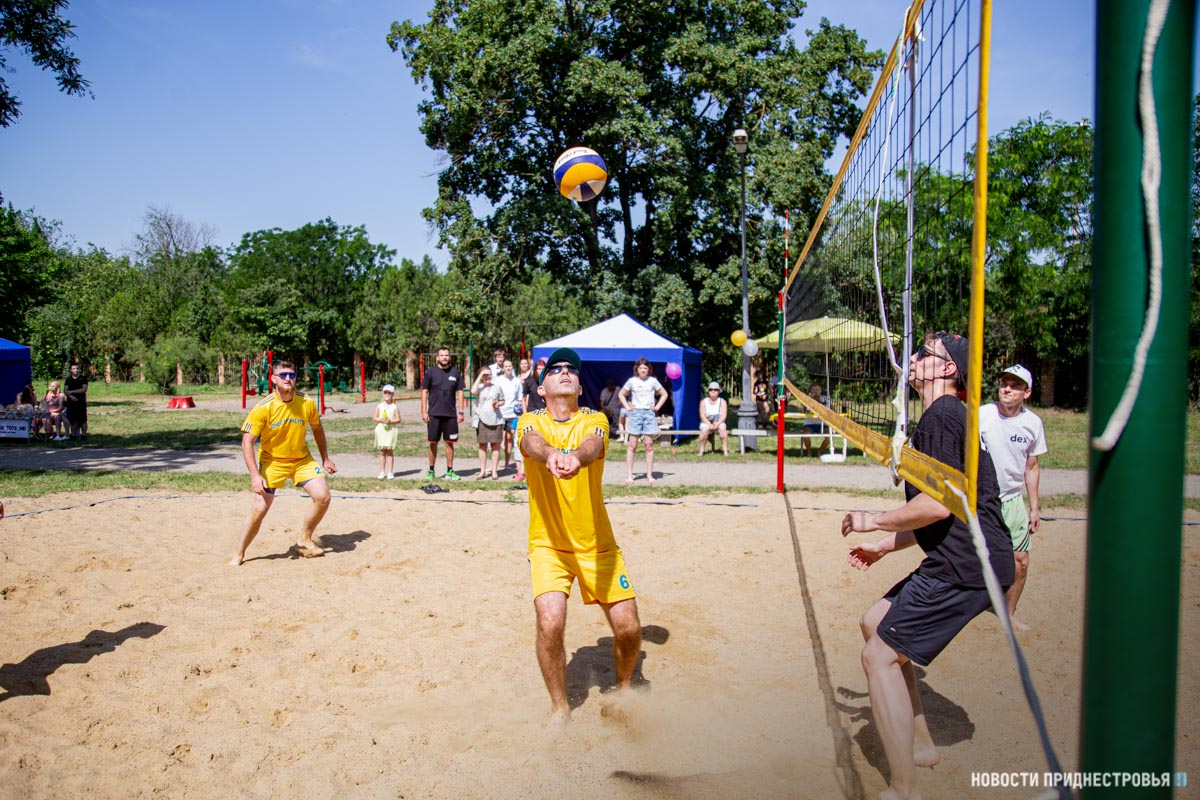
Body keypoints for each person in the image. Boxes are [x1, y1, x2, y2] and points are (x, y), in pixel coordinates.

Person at [840, 331, 1014, 800]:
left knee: (877, 656)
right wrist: (886, 544)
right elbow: (953, 508)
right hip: (969, 556)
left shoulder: (942, 414)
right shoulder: (945, 417)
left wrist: (871, 521)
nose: (912, 358)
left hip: (966, 565)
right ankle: (919, 745)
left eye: (924, 353)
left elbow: (937, 507)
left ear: (947, 369)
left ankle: (904, 789)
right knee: (874, 622)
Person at [516, 347, 642, 729]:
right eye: (557, 369)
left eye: (573, 369)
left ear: (578, 385)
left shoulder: (594, 418)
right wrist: (552, 453)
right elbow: (529, 443)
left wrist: (577, 458)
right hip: (549, 546)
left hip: (597, 545)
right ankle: (559, 708)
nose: (566, 372)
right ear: (543, 386)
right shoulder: (529, 420)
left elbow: (595, 445)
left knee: (629, 628)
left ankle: (623, 688)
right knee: (550, 623)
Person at [230, 360, 338, 565]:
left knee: (323, 496)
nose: (288, 378)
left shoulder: (306, 402)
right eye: (283, 375)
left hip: (301, 459)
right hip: (273, 462)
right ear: (273, 379)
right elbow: (247, 442)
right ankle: (239, 552)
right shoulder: (263, 407)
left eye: (292, 375)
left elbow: (317, 429)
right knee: (260, 508)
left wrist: (325, 458)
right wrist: (255, 475)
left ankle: (303, 539)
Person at [979, 365, 1047, 633]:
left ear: (1027, 392)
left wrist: (1034, 507)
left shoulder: (1033, 423)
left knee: (1021, 561)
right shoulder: (982, 414)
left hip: (1012, 500)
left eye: (1015, 385)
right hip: (981, 501)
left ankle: (1008, 613)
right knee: (968, 557)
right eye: (1004, 383)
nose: (1007, 388)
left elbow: (1031, 467)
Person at [420, 347, 465, 481]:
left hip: (450, 414)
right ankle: (431, 470)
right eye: (442, 355)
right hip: (434, 414)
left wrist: (460, 411)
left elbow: (460, 392)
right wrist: (423, 411)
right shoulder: (431, 372)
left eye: (447, 355)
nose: (444, 357)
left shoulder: (455, 372)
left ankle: (450, 470)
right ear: (437, 358)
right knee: (433, 443)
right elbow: (424, 391)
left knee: (449, 443)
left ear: (449, 357)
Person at [619, 358, 667, 485]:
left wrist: (657, 407)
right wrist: (628, 407)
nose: (643, 370)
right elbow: (621, 394)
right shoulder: (632, 381)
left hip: (648, 414)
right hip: (635, 414)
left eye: (645, 368)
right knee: (632, 445)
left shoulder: (653, 381)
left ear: (648, 369)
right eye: (641, 368)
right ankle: (630, 476)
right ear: (637, 369)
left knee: (649, 446)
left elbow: (664, 394)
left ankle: (650, 475)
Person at [495, 359, 524, 479]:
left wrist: (520, 413)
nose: (508, 368)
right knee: (497, 441)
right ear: (503, 368)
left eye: (510, 366)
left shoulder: (516, 381)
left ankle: (507, 463)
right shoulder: (498, 381)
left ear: (512, 367)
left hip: (512, 414)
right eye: (506, 366)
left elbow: (520, 398)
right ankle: (495, 466)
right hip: (500, 413)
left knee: (509, 438)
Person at [473, 368, 505, 479]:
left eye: (489, 375)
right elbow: (473, 391)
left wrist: (499, 404)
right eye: (485, 375)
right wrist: (481, 374)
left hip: (496, 420)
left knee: (495, 446)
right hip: (482, 419)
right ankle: (482, 471)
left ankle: (494, 471)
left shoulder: (497, 387)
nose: (488, 377)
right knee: (482, 446)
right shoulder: (479, 387)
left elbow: (502, 400)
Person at [373, 384, 400, 479]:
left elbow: (398, 419)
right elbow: (374, 418)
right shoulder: (379, 406)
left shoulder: (394, 407)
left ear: (392, 394)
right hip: (381, 430)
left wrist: (390, 421)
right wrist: (381, 420)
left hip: (390, 430)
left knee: (389, 451)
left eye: (389, 393)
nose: (387, 394)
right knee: (382, 451)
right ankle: (382, 471)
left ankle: (390, 472)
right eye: (385, 392)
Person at [696, 382, 730, 457]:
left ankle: (725, 450)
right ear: (708, 391)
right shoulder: (703, 402)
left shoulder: (722, 402)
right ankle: (701, 451)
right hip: (706, 422)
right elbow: (702, 416)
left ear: (718, 391)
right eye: (711, 389)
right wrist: (709, 424)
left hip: (719, 421)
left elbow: (724, 415)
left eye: (715, 390)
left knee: (722, 429)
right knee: (704, 431)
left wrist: (717, 424)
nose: (713, 391)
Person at [802, 381, 832, 457]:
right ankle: (809, 452)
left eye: (817, 389)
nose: (815, 391)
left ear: (821, 391)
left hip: (823, 424)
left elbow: (830, 411)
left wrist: (818, 401)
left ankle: (820, 451)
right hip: (810, 424)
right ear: (811, 391)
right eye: (814, 390)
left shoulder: (826, 399)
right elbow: (803, 411)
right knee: (806, 435)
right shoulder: (807, 399)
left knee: (829, 437)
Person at [64, 363, 89, 441]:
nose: (76, 370)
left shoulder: (83, 378)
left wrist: (71, 392)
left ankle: (84, 434)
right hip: (71, 402)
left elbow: (84, 389)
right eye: (74, 369)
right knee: (72, 419)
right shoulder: (68, 379)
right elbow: (65, 390)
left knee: (82, 419)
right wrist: (70, 396)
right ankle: (73, 434)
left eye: (77, 368)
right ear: (71, 370)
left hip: (80, 401)